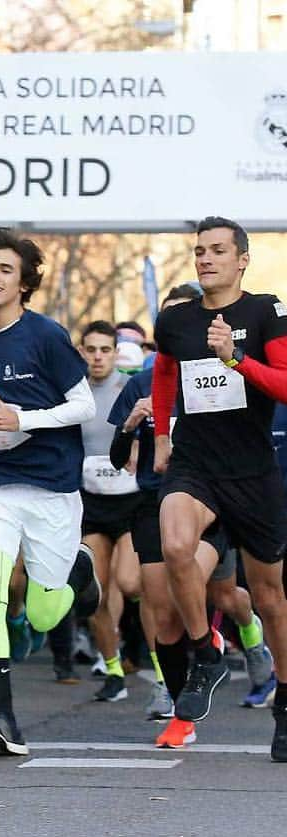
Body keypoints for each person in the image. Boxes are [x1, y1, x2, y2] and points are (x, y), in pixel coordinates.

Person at [0, 227, 100, 757]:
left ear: (24, 283)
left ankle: (77, 573)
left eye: (5, 270)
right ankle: (6, 719)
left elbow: (84, 406)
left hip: (53, 488)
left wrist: (27, 419)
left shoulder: (46, 336)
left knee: (41, 614)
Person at [152, 215, 287, 761]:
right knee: (175, 544)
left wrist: (236, 359)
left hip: (253, 471)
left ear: (241, 259)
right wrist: (162, 434)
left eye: (216, 251)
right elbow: (164, 374)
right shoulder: (177, 321)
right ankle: (205, 651)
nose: (205, 259)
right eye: (199, 251)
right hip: (196, 465)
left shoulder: (265, 311)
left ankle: (284, 707)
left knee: (271, 602)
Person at [76, 320, 144, 703]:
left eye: (105, 350)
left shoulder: (129, 388)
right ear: (82, 352)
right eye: (91, 350)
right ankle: (113, 670)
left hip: (131, 502)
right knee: (93, 593)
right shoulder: (77, 394)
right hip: (92, 501)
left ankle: (158, 660)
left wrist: (136, 448)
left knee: (132, 582)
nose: (98, 357)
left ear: (116, 353)